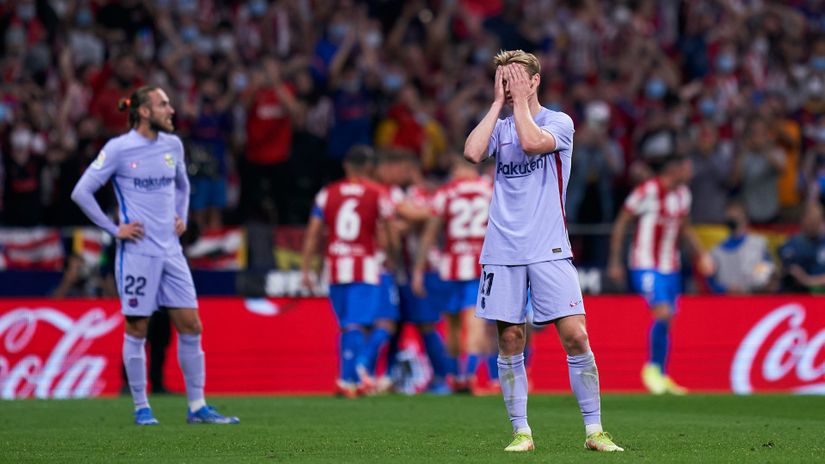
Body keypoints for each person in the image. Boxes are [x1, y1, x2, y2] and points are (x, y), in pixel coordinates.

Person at [463, 50, 622, 453]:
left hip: (549, 248)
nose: (510, 84)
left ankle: (594, 430)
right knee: (511, 338)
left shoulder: (559, 122)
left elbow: (533, 142)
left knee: (576, 336)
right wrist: (498, 102)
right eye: (503, 79)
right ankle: (521, 432)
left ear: (534, 81)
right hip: (502, 249)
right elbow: (472, 152)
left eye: (515, 78)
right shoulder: (499, 126)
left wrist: (517, 104)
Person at [71, 85, 239, 425]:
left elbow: (183, 185)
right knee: (138, 328)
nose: (172, 110)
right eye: (164, 104)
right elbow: (81, 192)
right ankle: (141, 407)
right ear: (145, 112)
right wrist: (113, 228)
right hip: (138, 253)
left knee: (192, 325)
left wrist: (182, 216)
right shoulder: (119, 148)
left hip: (171, 251)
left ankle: (197, 407)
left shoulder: (173, 145)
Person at [608, 154, 715, 395]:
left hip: (671, 267)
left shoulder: (683, 195)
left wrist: (702, 255)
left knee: (669, 319)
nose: (691, 172)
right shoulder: (648, 191)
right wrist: (614, 261)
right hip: (644, 263)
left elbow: (686, 228)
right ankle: (652, 370)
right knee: (663, 311)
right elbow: (622, 221)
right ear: (674, 170)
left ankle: (662, 374)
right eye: (687, 167)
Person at [300, 145, 396, 398]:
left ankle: (349, 378)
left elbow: (313, 234)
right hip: (364, 266)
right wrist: (393, 257)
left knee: (346, 325)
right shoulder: (377, 193)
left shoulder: (327, 193)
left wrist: (306, 268)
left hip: (335, 267)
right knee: (356, 324)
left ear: (346, 165)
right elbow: (389, 232)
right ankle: (348, 378)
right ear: (368, 167)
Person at [412, 153, 497, 394]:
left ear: (457, 167)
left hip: (449, 266)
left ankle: (456, 376)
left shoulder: (446, 192)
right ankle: (468, 375)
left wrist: (418, 270)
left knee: (452, 324)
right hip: (480, 264)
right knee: (475, 322)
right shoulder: (490, 189)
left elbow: (430, 233)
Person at [708, 201, 775, 294]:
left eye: (737, 214)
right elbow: (712, 283)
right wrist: (726, 289)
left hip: (755, 299)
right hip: (727, 302)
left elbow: (766, 274)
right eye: (730, 215)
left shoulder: (759, 245)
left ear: (745, 218)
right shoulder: (716, 252)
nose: (733, 218)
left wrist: (751, 288)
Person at [779, 202, 825, 293]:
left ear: (822, 220)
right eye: (810, 220)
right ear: (802, 220)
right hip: (799, 294)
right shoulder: (792, 244)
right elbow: (787, 271)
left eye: (816, 220)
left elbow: (806, 280)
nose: (812, 223)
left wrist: (808, 281)